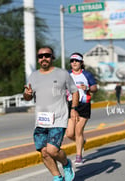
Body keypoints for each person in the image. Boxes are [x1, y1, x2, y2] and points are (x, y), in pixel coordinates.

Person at [23, 46, 79, 181]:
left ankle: (66, 164)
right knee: (44, 153)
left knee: (52, 150)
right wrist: (27, 94)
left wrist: (74, 109)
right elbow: (27, 97)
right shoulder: (33, 76)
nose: (44, 58)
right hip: (41, 120)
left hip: (58, 118)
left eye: (47, 55)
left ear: (52, 58)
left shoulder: (62, 74)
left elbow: (74, 91)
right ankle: (57, 177)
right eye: (40, 56)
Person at [66, 52, 97, 165]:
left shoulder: (87, 75)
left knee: (78, 130)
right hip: (70, 104)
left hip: (84, 104)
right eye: (72, 61)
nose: (74, 63)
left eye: (77, 61)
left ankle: (79, 156)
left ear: (81, 62)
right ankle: (81, 141)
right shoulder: (67, 74)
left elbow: (95, 88)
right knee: (69, 133)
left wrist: (88, 87)